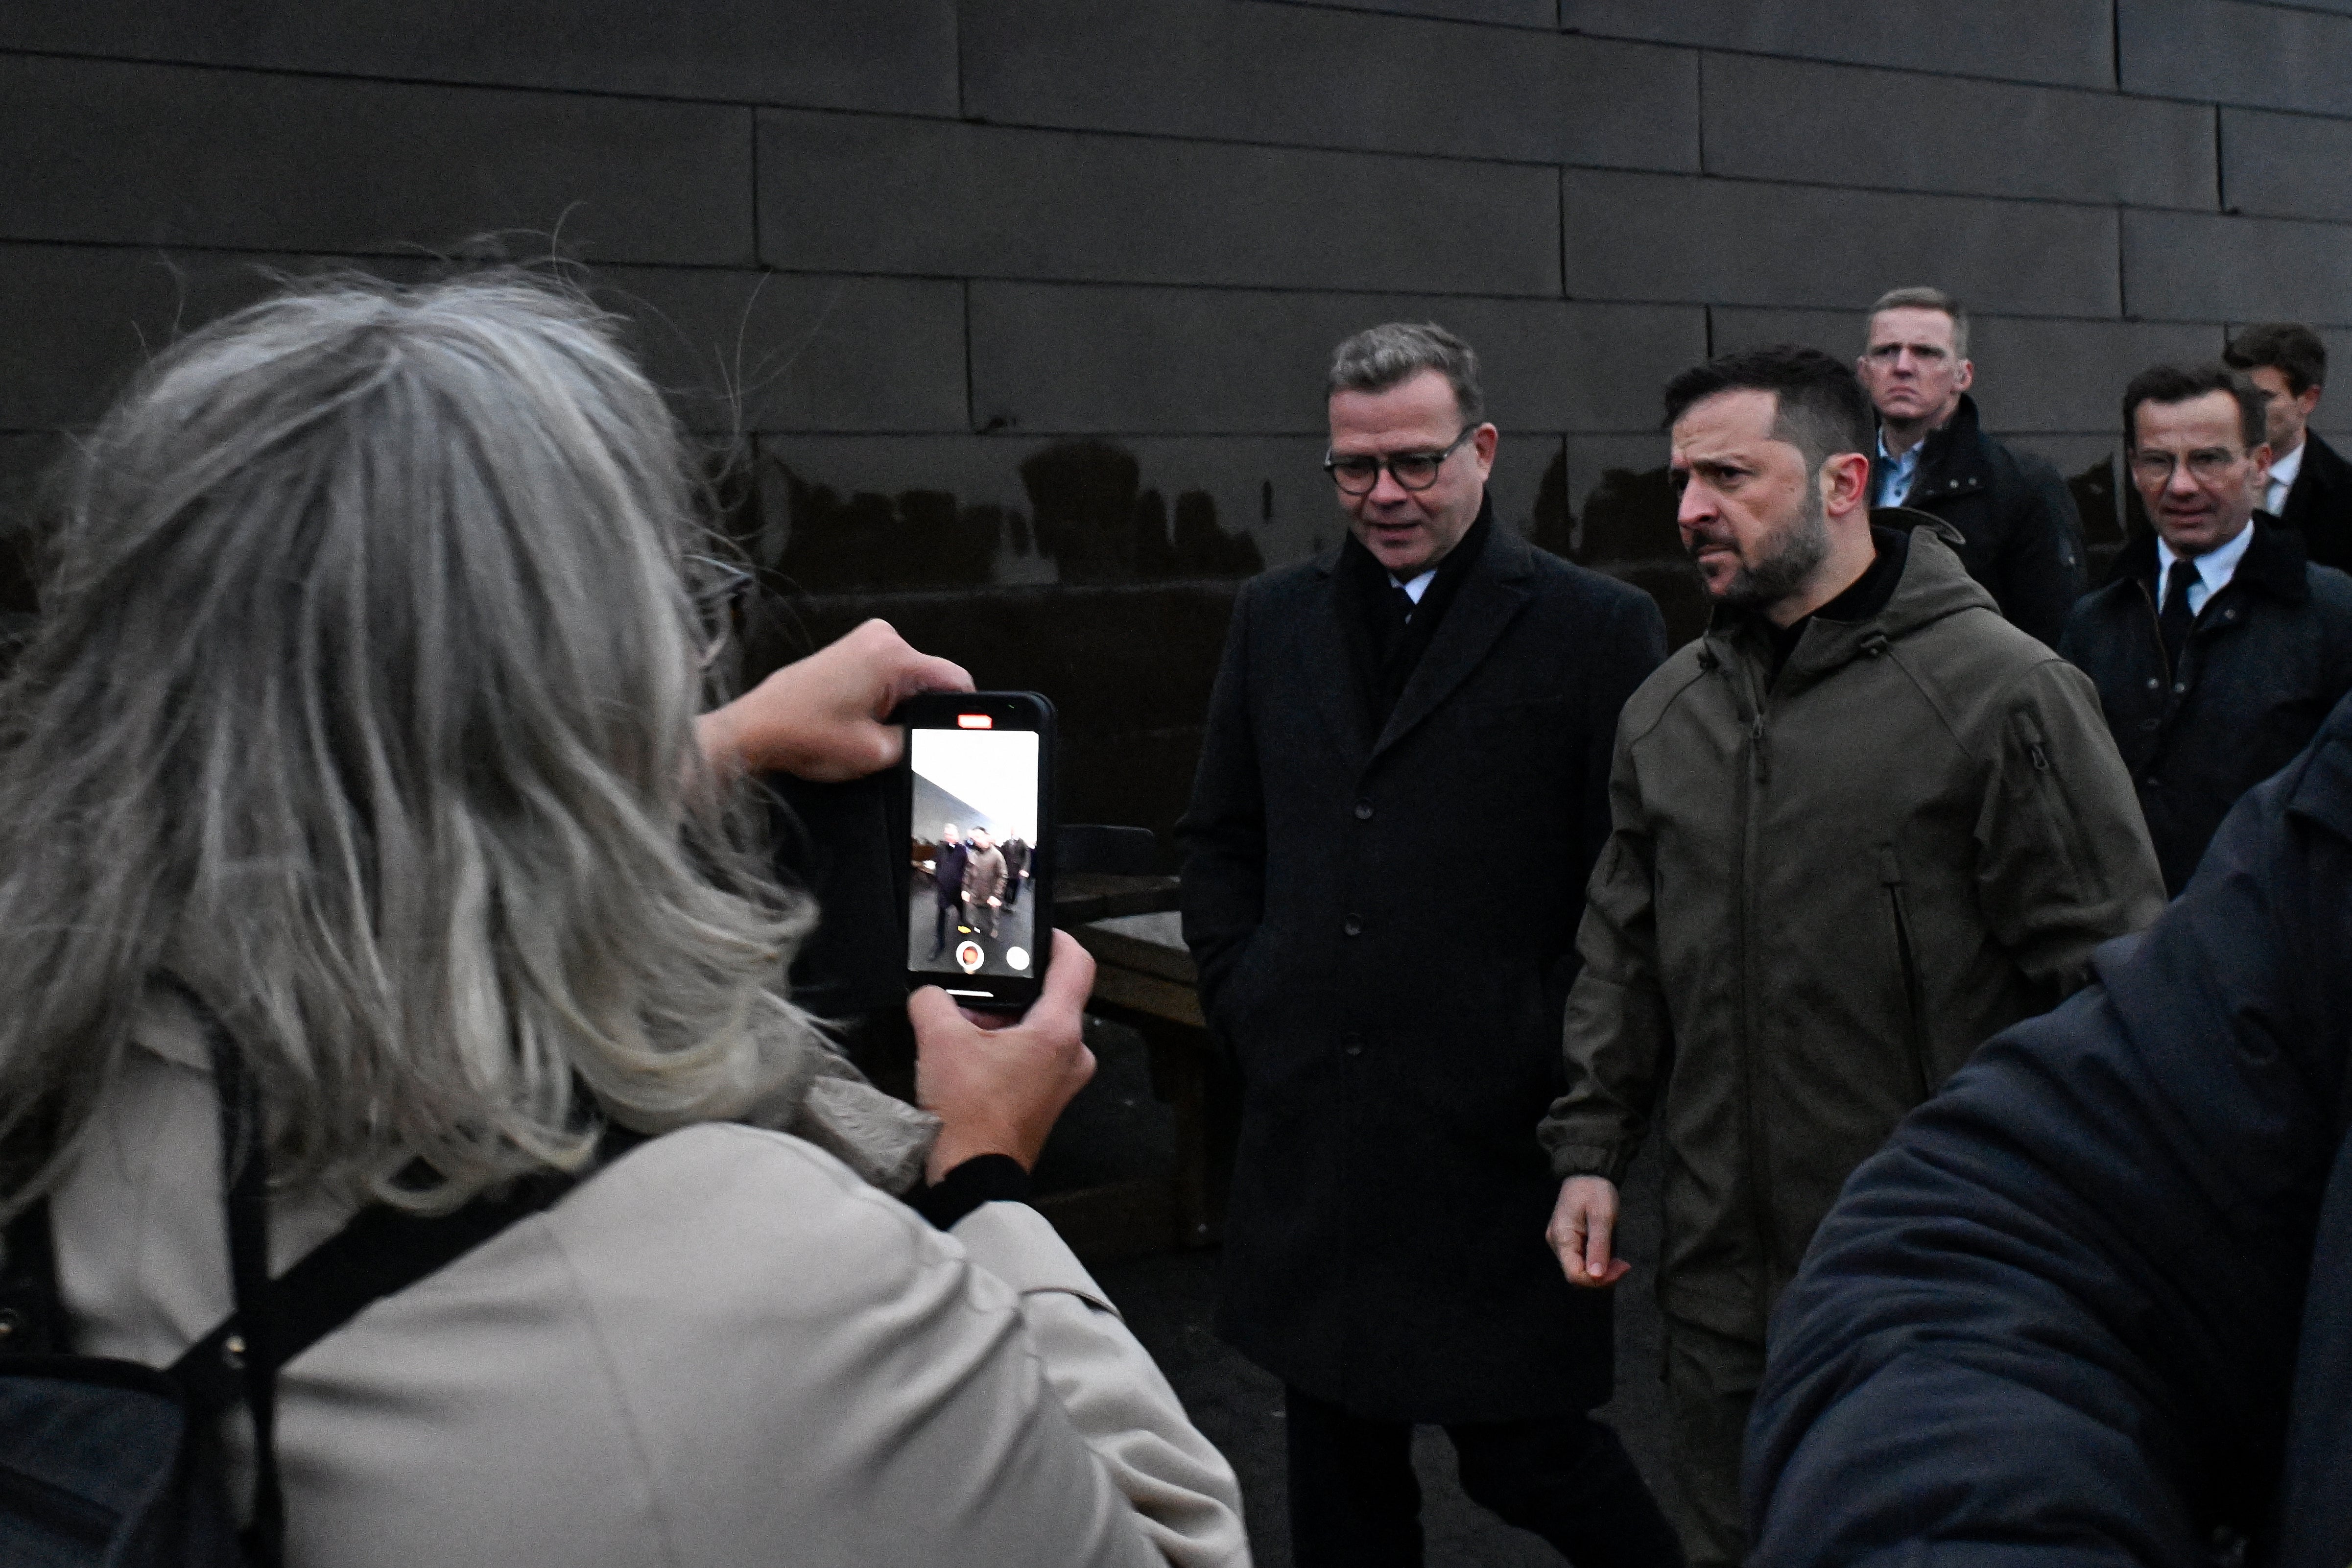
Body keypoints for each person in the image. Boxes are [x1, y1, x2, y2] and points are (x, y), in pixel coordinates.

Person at [0, 275, 1248, 1568]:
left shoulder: (48, 1076)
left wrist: (721, 740)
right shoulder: (790, 1281)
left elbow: (337, 813)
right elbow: (1172, 1542)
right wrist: (987, 1176)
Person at [1537, 344, 2165, 1567]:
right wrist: (1590, 1148)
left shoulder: (2003, 693)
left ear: (1842, 483)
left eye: (1728, 474)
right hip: (1718, 1296)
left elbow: (2115, 984)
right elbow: (1623, 950)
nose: (1688, 510)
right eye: (1680, 479)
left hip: (1932, 1289)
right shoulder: (1668, 714)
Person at [1181, 322, 1679, 1568]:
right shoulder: (1275, 618)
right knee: (1339, 1471)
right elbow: (1223, 834)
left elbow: (1629, 884)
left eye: (1414, 461)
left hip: (1494, 1132)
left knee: (1529, 1451)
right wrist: (1253, 993)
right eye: (1355, 468)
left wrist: (1566, 1074)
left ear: (1483, 449)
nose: (1384, 494)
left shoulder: (1596, 628)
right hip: (1319, 1125)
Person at [1744, 692, 2352, 1567]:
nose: (1693, 543)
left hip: (1946, 1089)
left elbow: (2098, 918)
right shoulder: (1674, 705)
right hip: (1756, 1217)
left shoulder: (2002, 687)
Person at [2060, 363, 2352, 894]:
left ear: (2260, 465)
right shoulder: (2094, 622)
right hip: (2124, 951)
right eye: (2157, 462)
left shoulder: (2334, 616)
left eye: (2208, 460)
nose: (2181, 486)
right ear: (2132, 467)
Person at [1854, 286, 2087, 647]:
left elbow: (2051, 632)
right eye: (1886, 352)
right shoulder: (1832, 476)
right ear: (1864, 372)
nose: (1902, 367)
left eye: (1925, 353)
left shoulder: (2023, 485)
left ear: (1962, 376)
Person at [2225, 321, 2352, 573]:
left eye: (2264, 398)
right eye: (2238, 395)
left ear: (2308, 400)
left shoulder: (2345, 495)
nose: (2247, 410)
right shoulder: (2196, 475)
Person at [929, 821, 970, 957]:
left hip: (957, 890)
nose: (949, 837)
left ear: (957, 835)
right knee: (941, 917)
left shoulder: (962, 850)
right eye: (947, 834)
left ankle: (963, 927)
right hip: (943, 890)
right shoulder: (941, 848)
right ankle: (940, 944)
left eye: (951, 834)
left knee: (961, 911)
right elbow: (937, 864)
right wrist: (939, 877)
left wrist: (965, 887)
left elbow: (966, 870)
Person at [964, 828, 1009, 940]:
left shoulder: (997, 855)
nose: (977, 841)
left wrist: (996, 895)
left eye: (979, 837)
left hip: (991, 894)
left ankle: (994, 928)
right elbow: (968, 872)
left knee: (993, 915)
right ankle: (973, 928)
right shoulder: (973, 854)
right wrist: (965, 888)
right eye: (975, 839)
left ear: (986, 836)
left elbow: (1003, 876)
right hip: (975, 892)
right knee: (972, 914)